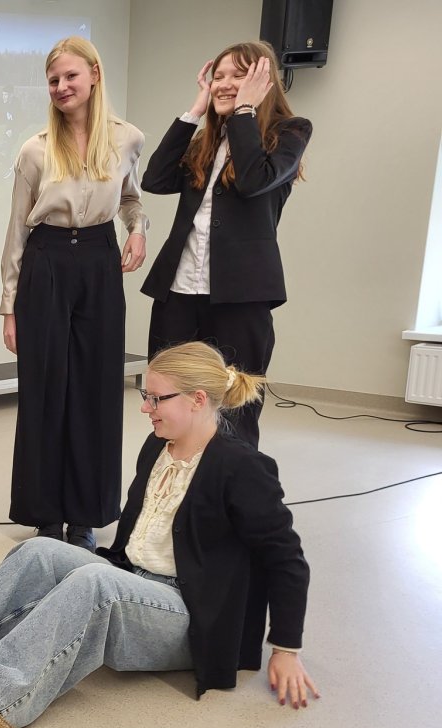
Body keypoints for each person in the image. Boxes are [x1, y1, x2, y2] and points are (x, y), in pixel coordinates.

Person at [0, 342, 319, 728]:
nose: (145, 407)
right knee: (41, 551)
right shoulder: (157, 447)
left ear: (197, 400)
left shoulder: (243, 468)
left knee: (96, 582)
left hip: (190, 615)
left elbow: (287, 560)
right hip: (138, 582)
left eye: (156, 398)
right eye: (145, 396)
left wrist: (286, 648)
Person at [0, 37, 148, 551]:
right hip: (47, 261)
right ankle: (46, 514)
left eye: (70, 76)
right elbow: (16, 231)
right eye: (53, 80)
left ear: (95, 75)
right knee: (44, 389)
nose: (61, 87)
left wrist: (138, 229)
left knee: (97, 389)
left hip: (100, 263)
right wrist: (9, 306)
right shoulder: (34, 150)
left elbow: (131, 199)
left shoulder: (127, 139)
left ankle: (85, 514)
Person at [140, 41, 311, 448]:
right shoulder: (204, 141)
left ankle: (230, 485)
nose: (225, 84)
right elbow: (155, 179)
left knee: (235, 408)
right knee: (167, 402)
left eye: (239, 75)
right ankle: (173, 482)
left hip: (241, 297)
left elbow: (252, 180)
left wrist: (245, 111)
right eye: (218, 76)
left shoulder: (290, 132)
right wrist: (195, 111)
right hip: (178, 293)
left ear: (264, 82)